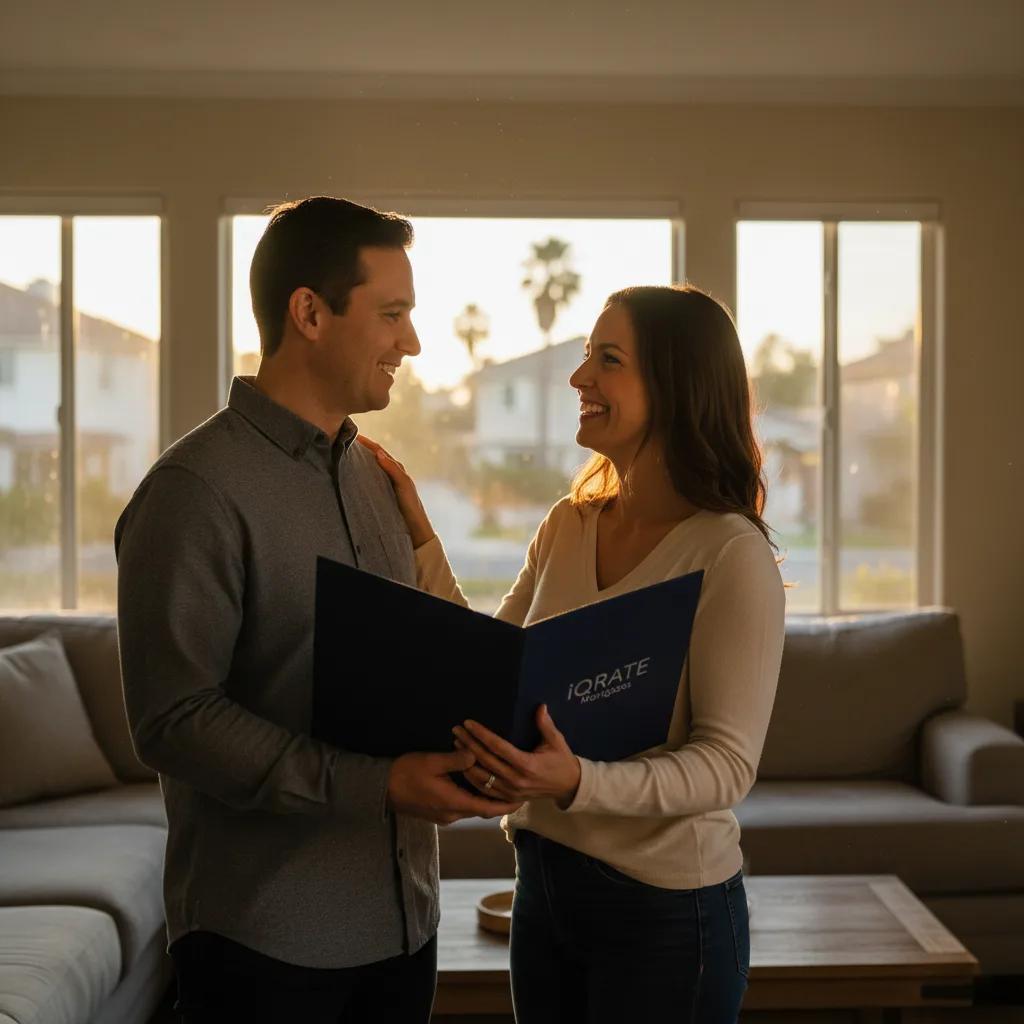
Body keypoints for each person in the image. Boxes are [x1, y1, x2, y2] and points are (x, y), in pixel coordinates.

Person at [114, 196, 520, 1024]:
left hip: (405, 925)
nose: (411, 342)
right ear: (309, 313)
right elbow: (175, 721)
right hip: (267, 942)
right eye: (393, 314)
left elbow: (410, 665)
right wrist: (380, 786)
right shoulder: (193, 492)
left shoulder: (377, 478)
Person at [362, 284, 786, 1023]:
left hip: (666, 917)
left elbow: (726, 766)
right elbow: (486, 670)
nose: (578, 377)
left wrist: (575, 781)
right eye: (588, 354)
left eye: (608, 360)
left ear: (676, 388)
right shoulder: (568, 525)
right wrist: (420, 539)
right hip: (547, 891)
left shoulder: (729, 553)